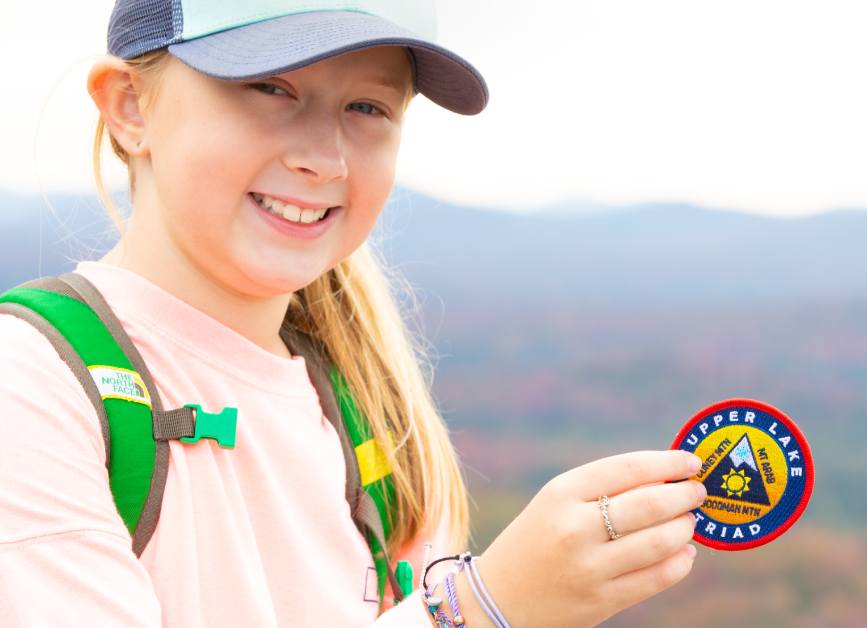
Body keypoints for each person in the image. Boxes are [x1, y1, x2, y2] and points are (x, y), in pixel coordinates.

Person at [0, 1, 707, 626]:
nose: (325, 158)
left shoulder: (378, 420)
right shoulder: (33, 385)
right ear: (130, 106)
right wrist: (483, 610)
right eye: (271, 88)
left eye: (368, 107)